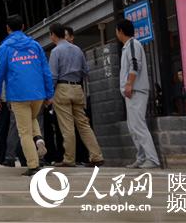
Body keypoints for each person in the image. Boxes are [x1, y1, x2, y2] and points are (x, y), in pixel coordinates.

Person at [0, 15, 54, 176]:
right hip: (38, 93)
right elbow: (45, 70)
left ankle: (33, 165)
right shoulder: (35, 45)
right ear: (24, 26)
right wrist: (49, 93)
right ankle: (38, 138)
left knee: (24, 131)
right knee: (32, 119)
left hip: (19, 94)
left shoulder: (5, 47)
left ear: (7, 28)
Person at [48, 23, 104, 167]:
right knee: (84, 124)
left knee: (67, 127)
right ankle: (96, 155)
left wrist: (49, 93)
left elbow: (53, 76)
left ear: (53, 34)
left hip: (62, 88)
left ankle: (69, 158)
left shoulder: (56, 51)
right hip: (78, 88)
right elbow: (85, 71)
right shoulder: (77, 49)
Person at [115, 20, 161, 169]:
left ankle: (152, 159)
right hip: (132, 92)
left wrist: (129, 84)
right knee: (133, 126)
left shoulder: (133, 44)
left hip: (136, 90)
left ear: (120, 31)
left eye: (117, 31)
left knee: (138, 125)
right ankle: (141, 158)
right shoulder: (127, 46)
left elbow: (135, 64)